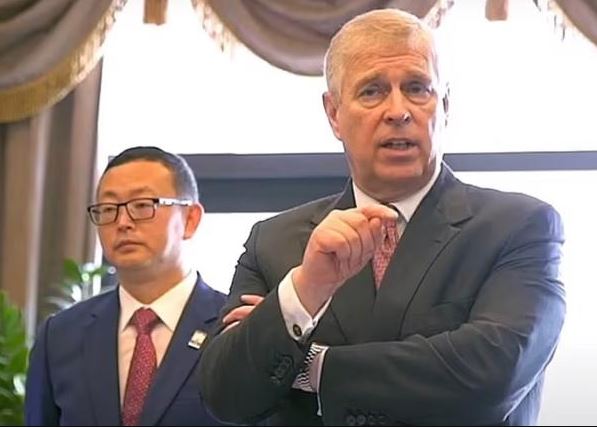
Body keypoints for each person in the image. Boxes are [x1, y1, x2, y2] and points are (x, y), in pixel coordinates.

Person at [197, 8, 566, 426]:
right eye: (372, 91)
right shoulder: (274, 241)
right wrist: (304, 291)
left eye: (417, 88)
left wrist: (309, 364)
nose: (398, 111)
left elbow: (490, 375)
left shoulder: (518, 227)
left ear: (445, 105)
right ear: (334, 114)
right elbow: (224, 394)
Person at [25, 146, 226, 426]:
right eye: (109, 209)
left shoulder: (234, 327)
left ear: (190, 219)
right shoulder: (59, 336)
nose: (122, 222)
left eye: (142, 206)